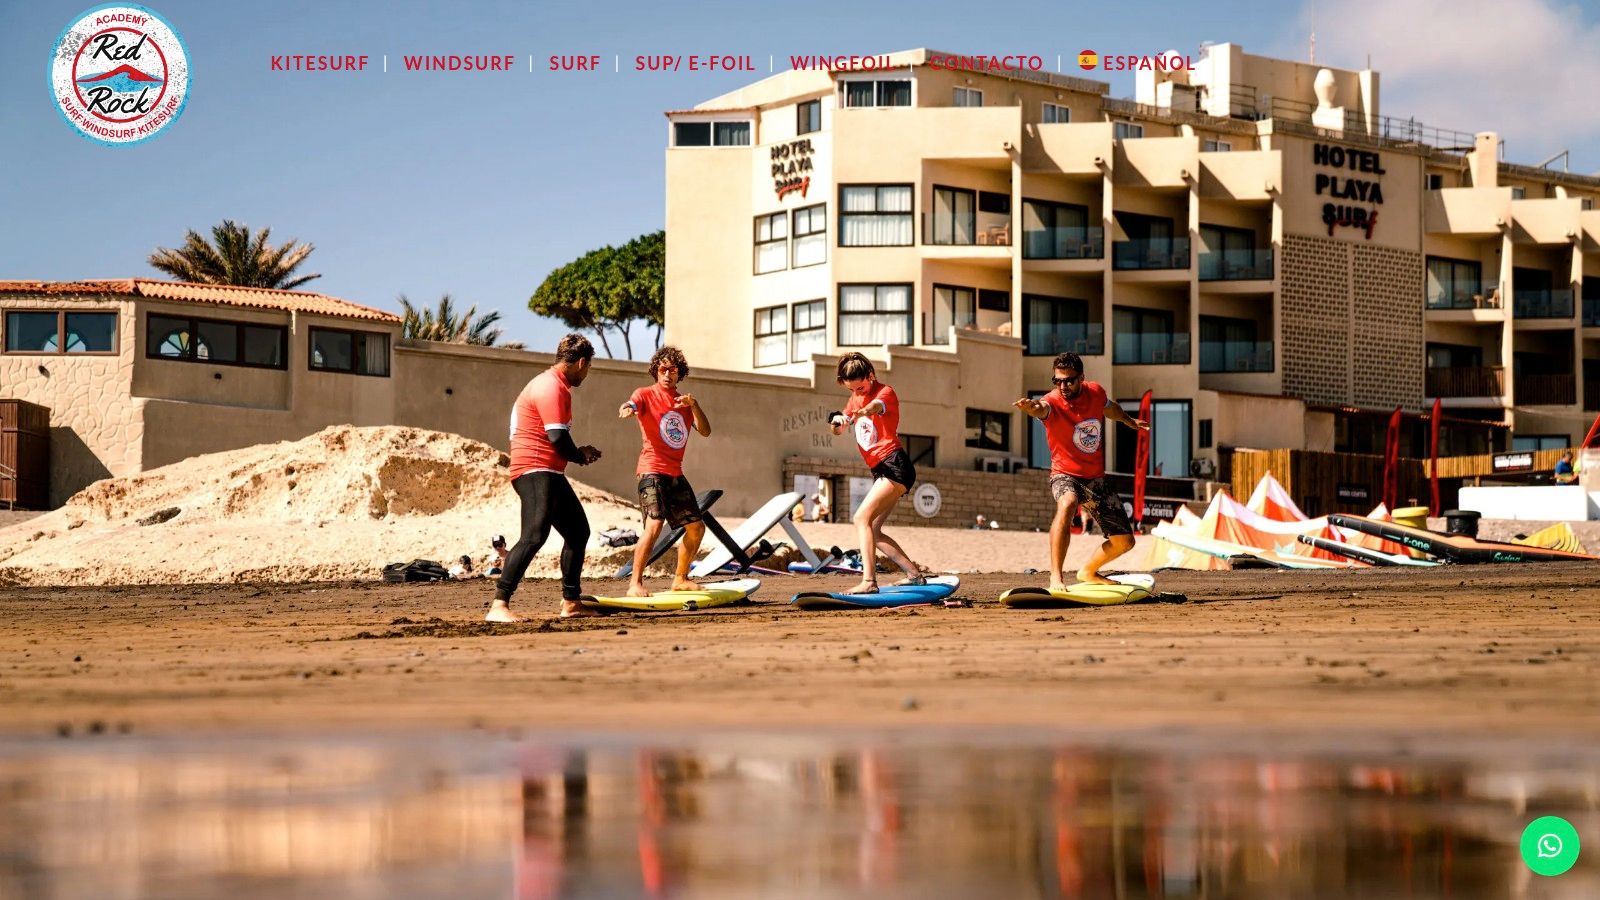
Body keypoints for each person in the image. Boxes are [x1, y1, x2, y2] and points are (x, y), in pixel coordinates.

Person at [488, 334, 603, 622]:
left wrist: (576, 452)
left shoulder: (552, 384)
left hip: (547, 470)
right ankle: (499, 605)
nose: (586, 374)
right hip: (536, 469)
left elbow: (556, 436)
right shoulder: (552, 387)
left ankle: (571, 602)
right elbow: (556, 437)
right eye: (587, 368)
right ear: (581, 362)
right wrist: (579, 454)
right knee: (534, 535)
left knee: (577, 531)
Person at [1013, 352, 1150, 589]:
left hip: (1095, 477)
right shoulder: (1053, 402)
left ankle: (1088, 572)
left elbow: (1110, 408)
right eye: (1057, 381)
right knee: (1067, 503)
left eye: (1069, 380)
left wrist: (1129, 421)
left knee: (1125, 541)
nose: (1063, 386)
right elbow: (1041, 408)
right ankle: (1056, 576)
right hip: (1064, 474)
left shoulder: (1095, 392)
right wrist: (1032, 407)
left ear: (1081, 378)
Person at [828, 352, 927, 594]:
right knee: (872, 529)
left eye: (861, 386)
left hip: (895, 465)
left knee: (860, 518)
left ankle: (869, 582)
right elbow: (838, 430)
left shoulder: (885, 392)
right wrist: (838, 421)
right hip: (880, 470)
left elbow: (876, 406)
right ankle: (914, 575)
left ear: (871, 376)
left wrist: (864, 411)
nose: (859, 392)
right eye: (853, 388)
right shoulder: (854, 397)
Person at [619, 346, 712, 596]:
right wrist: (627, 407)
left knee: (696, 527)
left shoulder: (684, 403)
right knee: (655, 524)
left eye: (673, 369)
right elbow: (633, 402)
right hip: (651, 471)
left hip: (675, 473)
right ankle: (634, 583)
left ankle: (680, 578)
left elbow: (705, 430)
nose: (668, 373)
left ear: (680, 373)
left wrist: (694, 405)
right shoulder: (645, 394)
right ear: (656, 371)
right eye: (663, 369)